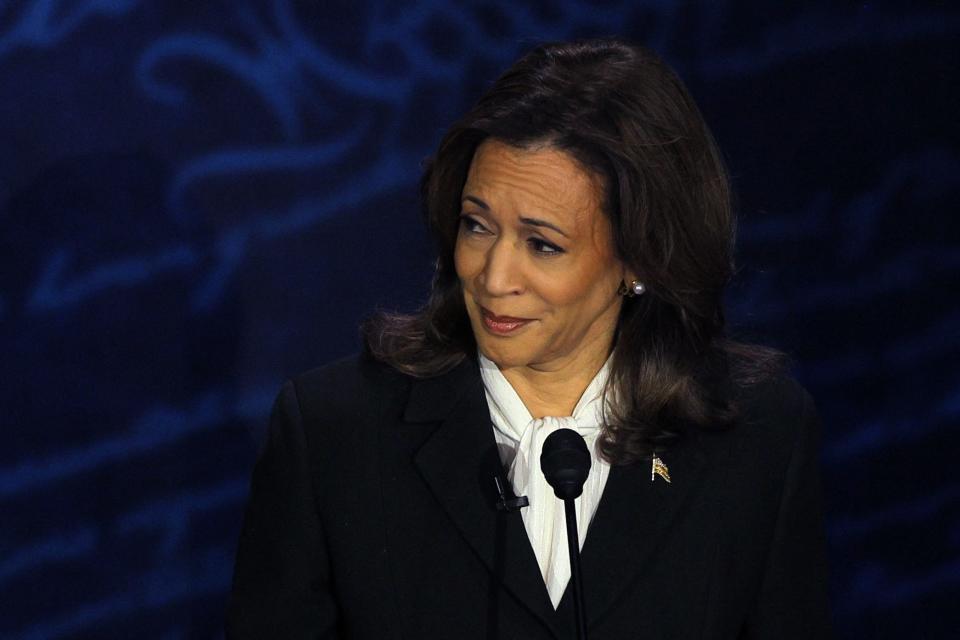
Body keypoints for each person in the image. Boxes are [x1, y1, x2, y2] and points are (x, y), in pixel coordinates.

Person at [226, 38, 832, 639]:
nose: (493, 277)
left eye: (543, 244)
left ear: (642, 258)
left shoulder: (758, 438)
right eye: (477, 226)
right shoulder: (334, 433)